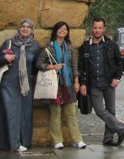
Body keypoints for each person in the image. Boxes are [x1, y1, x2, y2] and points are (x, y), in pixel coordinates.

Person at [36, 21, 87, 150]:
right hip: (55, 85)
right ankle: (57, 140)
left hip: (68, 83)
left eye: (65, 29)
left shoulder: (69, 47)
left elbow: (74, 66)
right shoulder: (49, 48)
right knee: (56, 113)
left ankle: (78, 139)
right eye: (60, 29)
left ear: (67, 32)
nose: (62, 31)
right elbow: (39, 64)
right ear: (55, 31)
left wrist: (76, 81)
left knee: (71, 113)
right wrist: (52, 67)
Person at [78, 17, 124, 146]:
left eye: (100, 28)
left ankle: (108, 138)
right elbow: (81, 67)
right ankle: (121, 128)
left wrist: (117, 78)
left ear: (104, 29)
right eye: (95, 28)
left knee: (111, 111)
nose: (97, 30)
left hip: (109, 84)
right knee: (100, 110)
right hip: (94, 85)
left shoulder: (111, 45)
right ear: (92, 28)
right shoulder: (85, 46)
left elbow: (119, 63)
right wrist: (83, 83)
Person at [0, 19, 41, 152]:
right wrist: (5, 58)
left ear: (32, 30)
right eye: (23, 26)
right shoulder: (9, 43)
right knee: (11, 113)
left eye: (28, 27)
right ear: (19, 28)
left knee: (25, 114)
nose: (25, 29)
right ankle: (13, 144)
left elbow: (36, 65)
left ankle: (24, 141)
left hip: (25, 85)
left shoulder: (35, 46)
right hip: (9, 83)